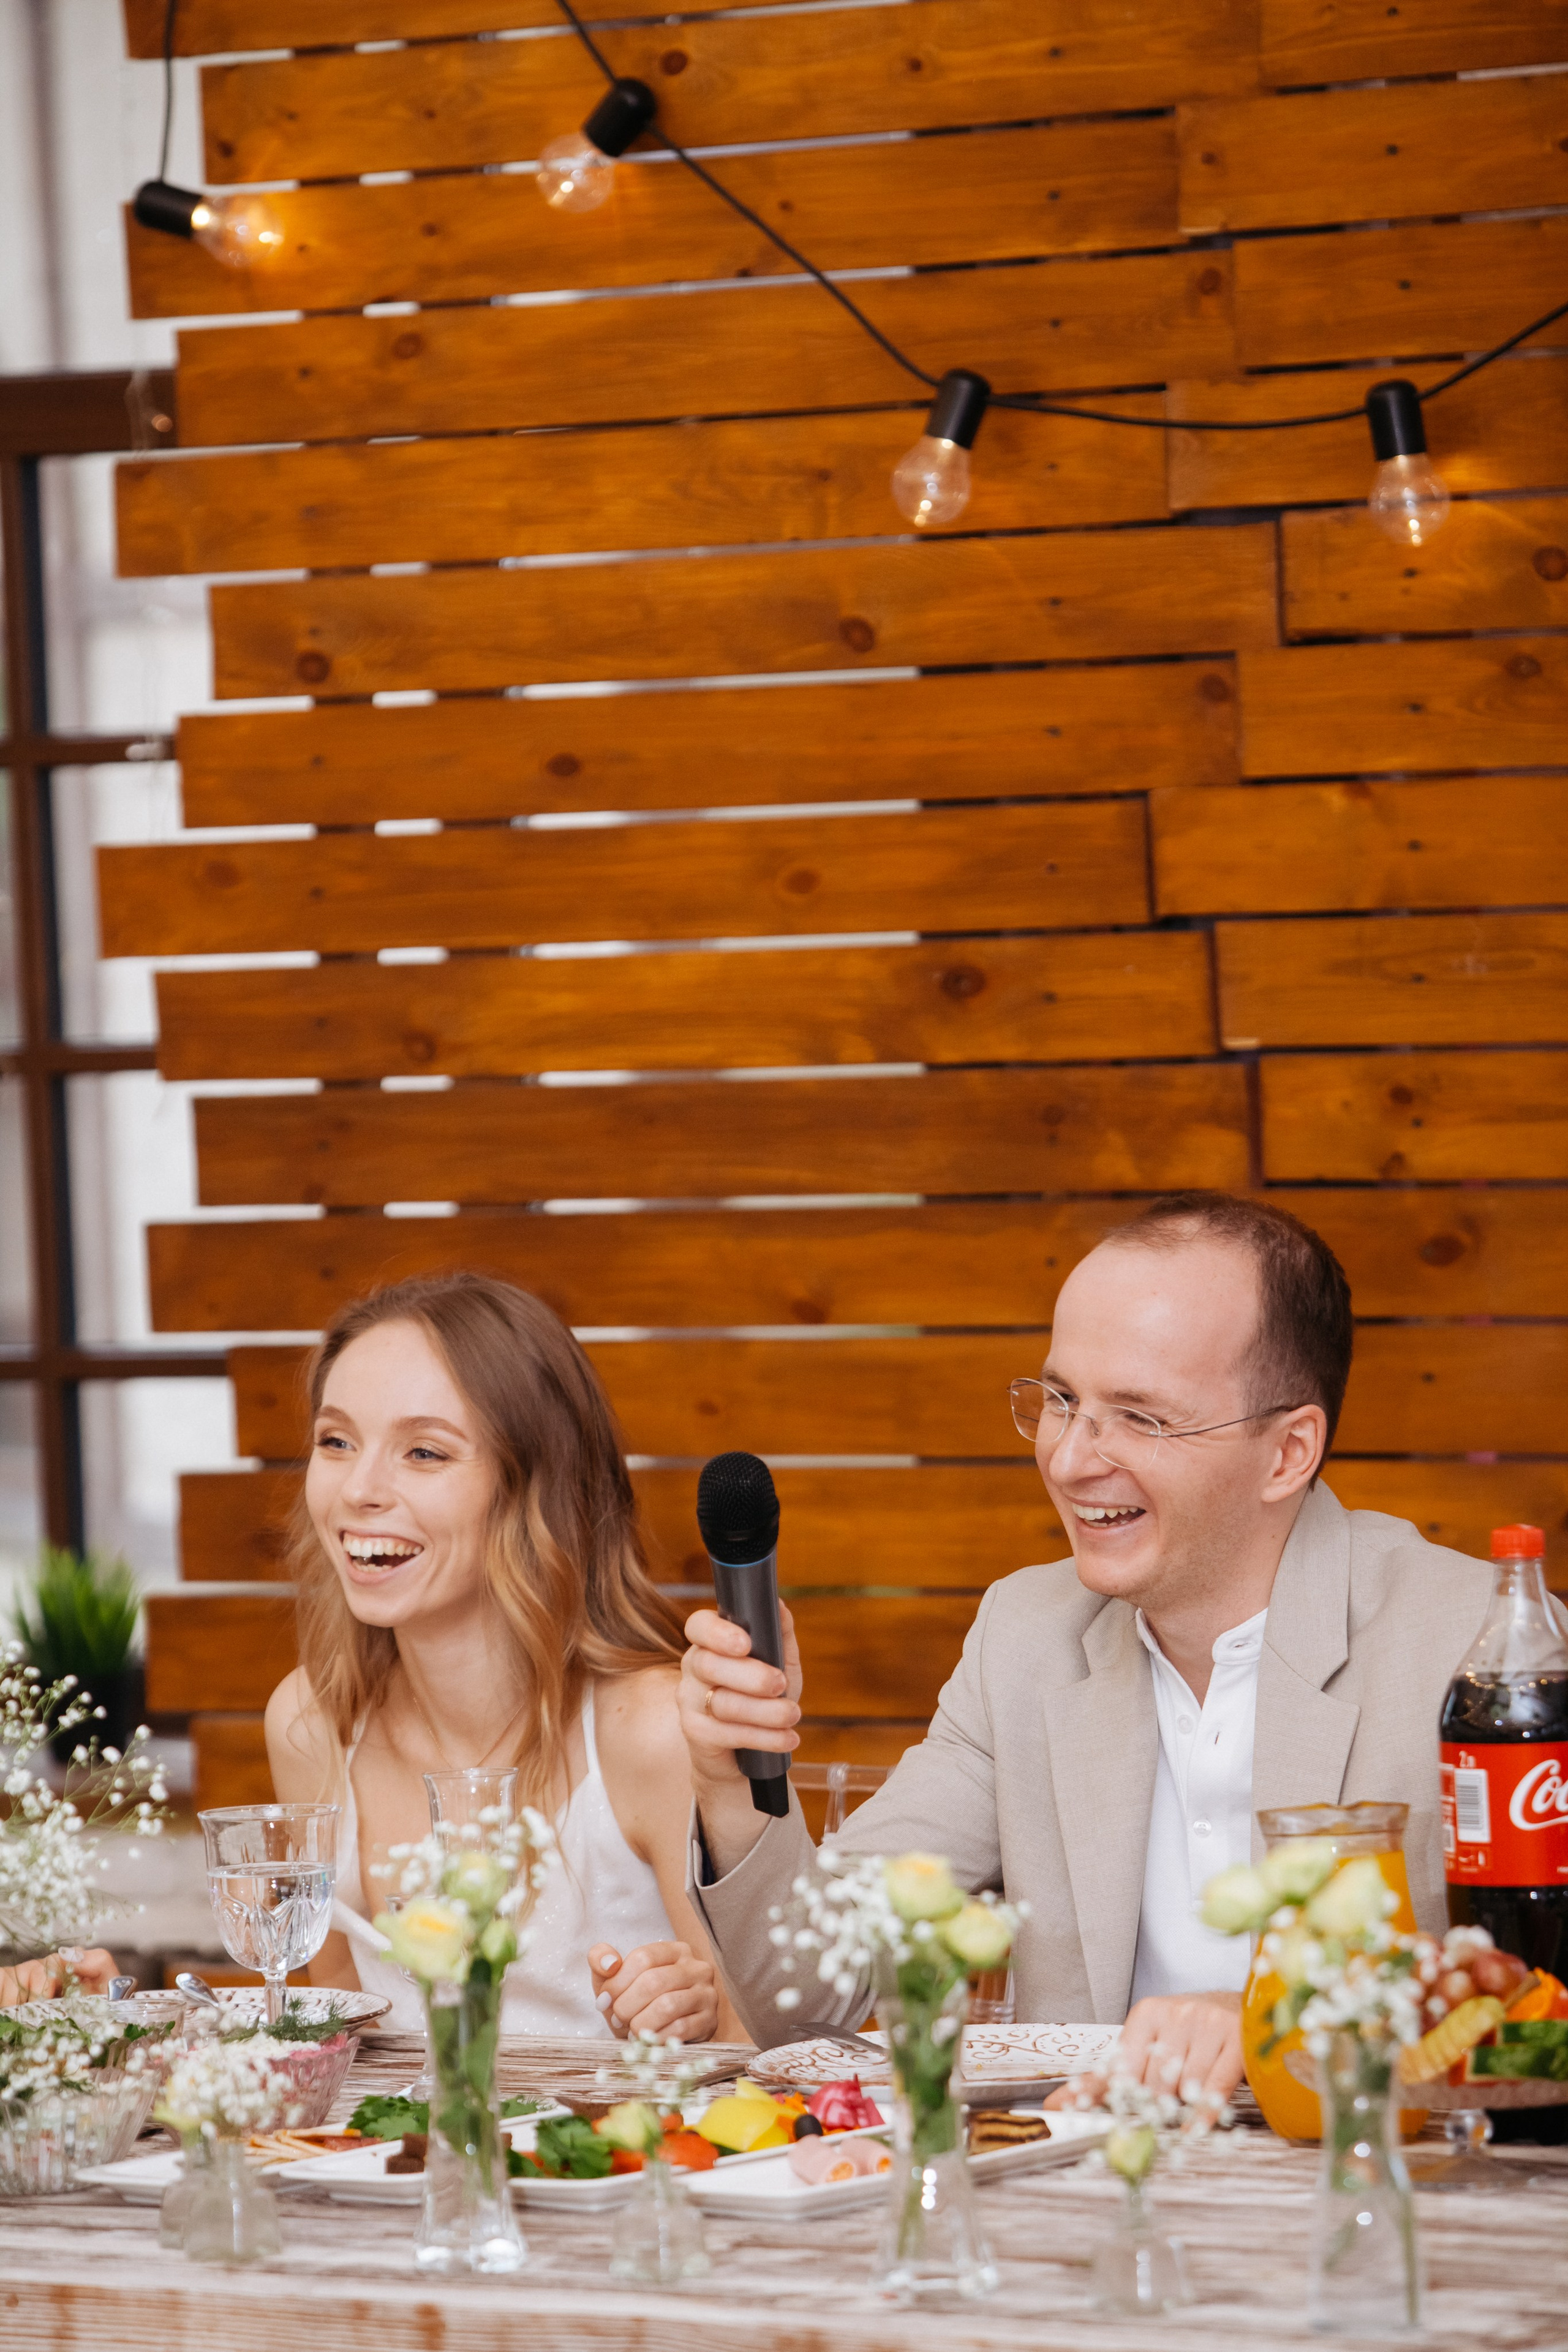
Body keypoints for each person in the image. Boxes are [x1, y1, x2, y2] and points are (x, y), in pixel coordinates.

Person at [679, 1191, 1492, 2103]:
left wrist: (1281, 2028)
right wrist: (728, 1782)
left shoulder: (1476, 1646)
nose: (1069, 1460)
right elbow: (817, 1994)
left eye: (1141, 1417)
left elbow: (1536, 2008)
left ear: (1288, 1452)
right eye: (1061, 1399)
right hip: (1077, 2207)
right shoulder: (1026, 1637)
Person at [266, 1272, 743, 2041]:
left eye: (424, 1452)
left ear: (535, 1487)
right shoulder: (310, 1723)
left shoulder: (652, 1730)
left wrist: (699, 2019)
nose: (359, 1488)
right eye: (336, 1441)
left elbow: (772, 2051)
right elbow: (345, 2049)